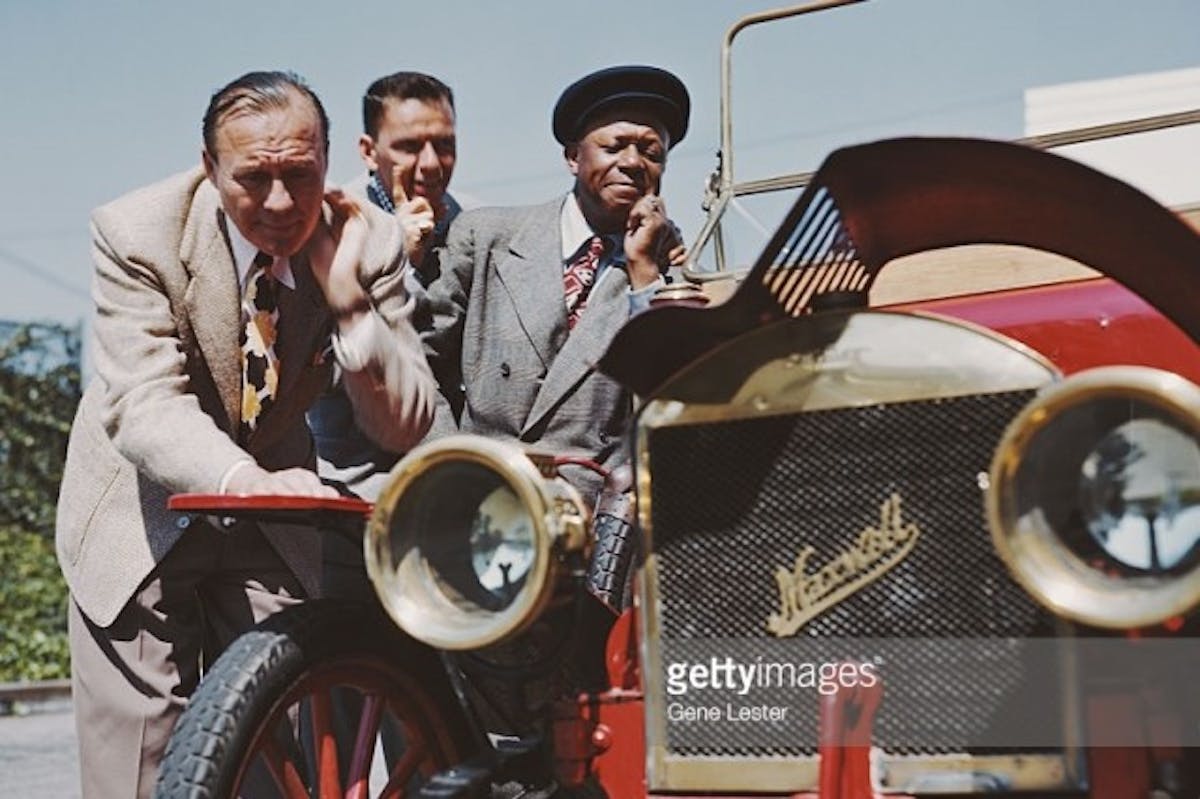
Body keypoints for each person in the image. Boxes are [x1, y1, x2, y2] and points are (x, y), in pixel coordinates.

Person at [54, 70, 436, 799]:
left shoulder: (371, 237)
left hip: (273, 515)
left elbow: (404, 422)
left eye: (301, 174)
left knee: (273, 742)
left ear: (329, 160)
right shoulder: (137, 231)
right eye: (253, 179)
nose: (282, 203)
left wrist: (352, 307)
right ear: (209, 168)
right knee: (143, 763)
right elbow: (143, 403)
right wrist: (244, 479)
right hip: (141, 507)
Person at [419, 64, 690, 499]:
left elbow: (668, 409)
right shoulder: (486, 238)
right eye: (614, 146)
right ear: (572, 157)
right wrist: (450, 469)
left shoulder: (666, 278)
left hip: (590, 521)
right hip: (477, 499)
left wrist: (644, 272)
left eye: (652, 152)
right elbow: (419, 365)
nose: (634, 162)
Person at [310, 71, 462, 500]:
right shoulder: (328, 227)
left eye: (445, 145)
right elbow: (333, 365)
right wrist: (402, 260)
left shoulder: (474, 223)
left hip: (458, 473)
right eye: (409, 147)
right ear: (368, 151)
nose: (430, 164)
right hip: (354, 483)